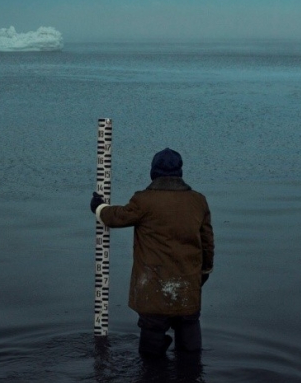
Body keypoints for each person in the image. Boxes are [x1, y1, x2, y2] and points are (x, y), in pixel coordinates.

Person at [91, 148, 214, 356]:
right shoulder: (198, 201)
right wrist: (204, 272)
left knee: (150, 354)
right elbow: (207, 242)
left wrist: (99, 208)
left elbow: (117, 217)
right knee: (190, 347)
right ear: (180, 173)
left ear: (153, 172)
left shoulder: (144, 200)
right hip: (187, 287)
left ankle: (154, 369)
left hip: (153, 289)